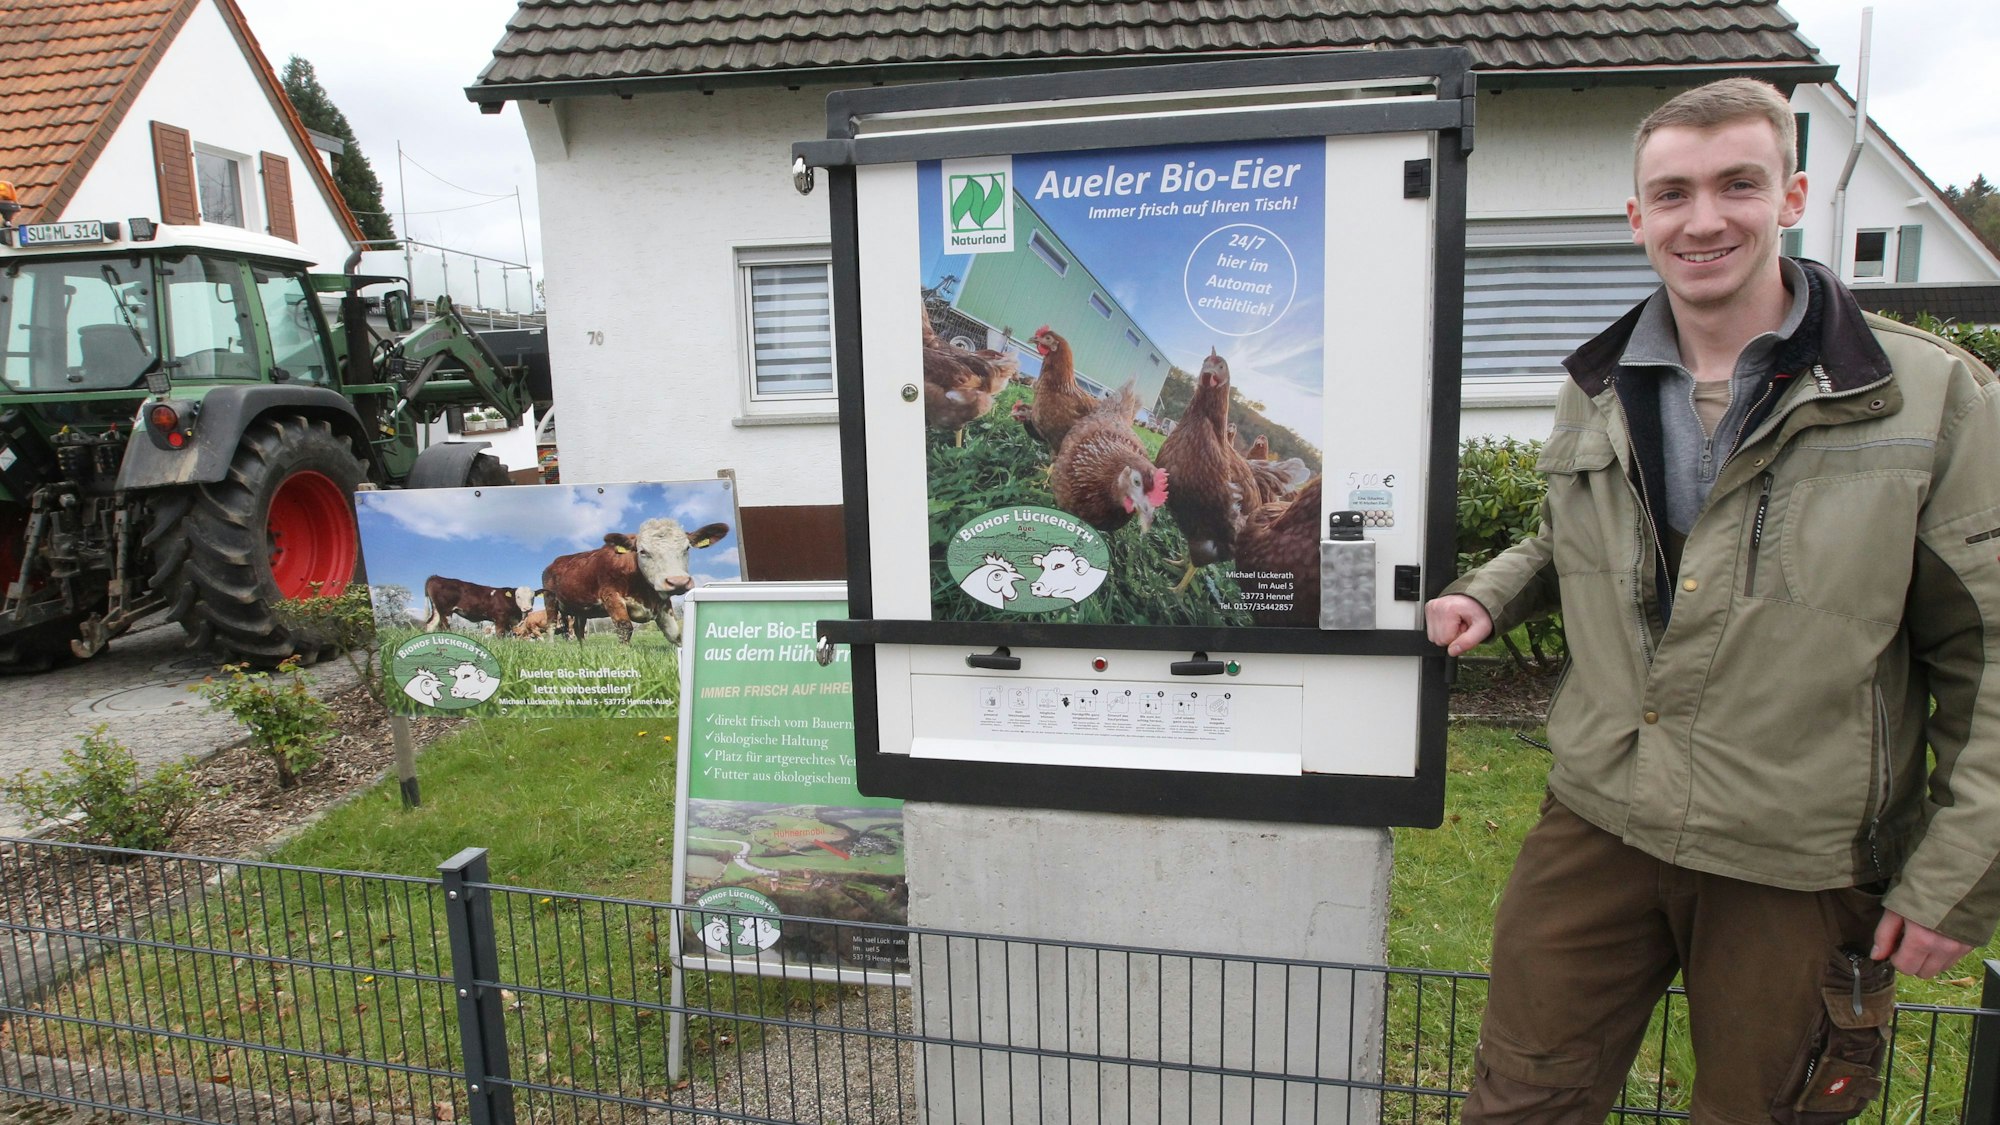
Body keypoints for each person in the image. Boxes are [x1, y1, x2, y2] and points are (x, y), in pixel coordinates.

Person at [1426, 77, 2000, 1123]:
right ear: (1635, 217)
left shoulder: (1927, 401)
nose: (1703, 219)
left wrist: (1959, 876)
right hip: (1595, 817)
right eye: (1672, 192)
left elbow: (1988, 650)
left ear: (1789, 195)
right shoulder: (1595, 383)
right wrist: (1493, 590)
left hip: (1795, 855)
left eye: (1736, 185)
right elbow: (1575, 532)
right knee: (1517, 1101)